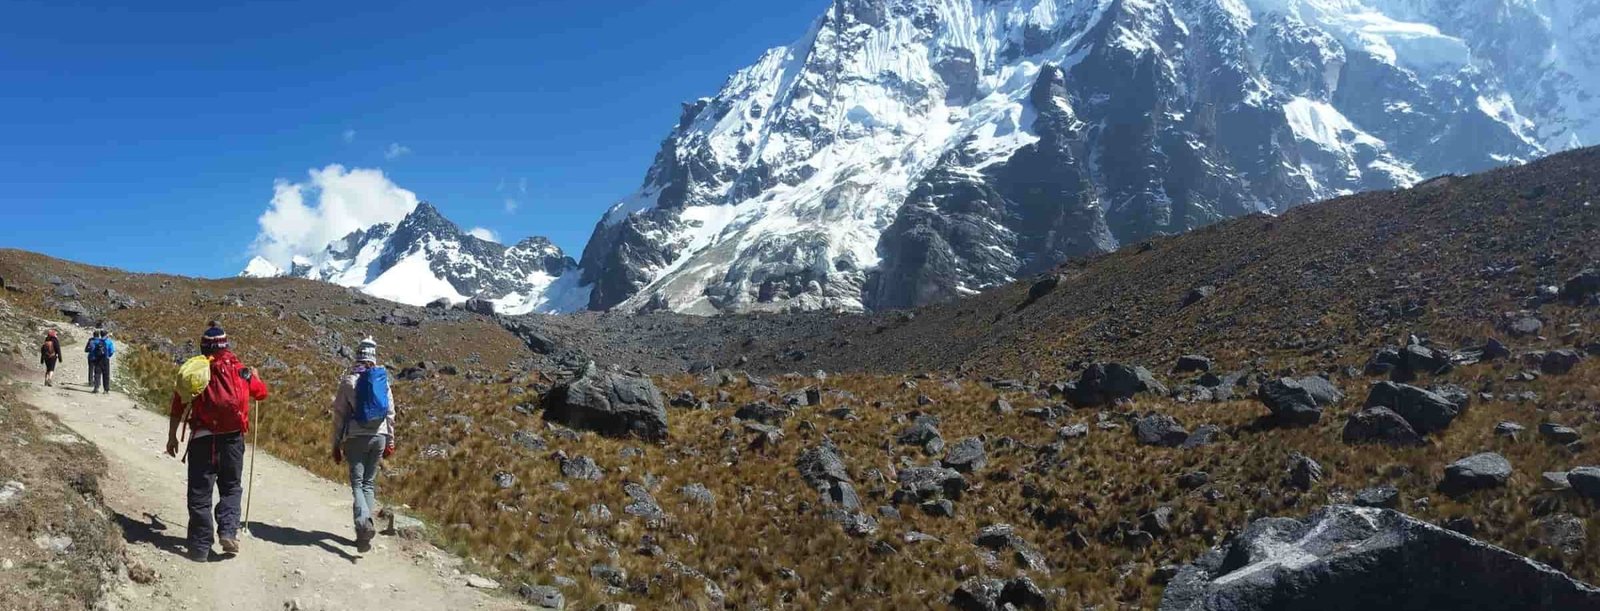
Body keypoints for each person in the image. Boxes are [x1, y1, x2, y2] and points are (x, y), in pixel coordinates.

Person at [165, 323, 269, 562]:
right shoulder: (240, 370)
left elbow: (177, 405)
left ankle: (200, 548)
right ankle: (228, 531)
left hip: (202, 440)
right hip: (232, 440)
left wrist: (172, 436)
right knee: (231, 487)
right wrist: (256, 378)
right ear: (226, 345)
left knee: (200, 493)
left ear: (204, 345)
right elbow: (261, 393)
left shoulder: (195, 371)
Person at [329, 336, 396, 553]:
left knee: (357, 484)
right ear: (373, 357)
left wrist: (335, 444)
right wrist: (390, 441)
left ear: (357, 355)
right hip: (379, 437)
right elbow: (390, 414)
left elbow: (339, 415)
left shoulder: (349, 381)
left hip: (356, 438)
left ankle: (363, 523)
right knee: (368, 483)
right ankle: (363, 537)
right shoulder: (382, 380)